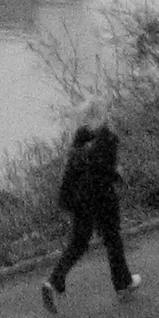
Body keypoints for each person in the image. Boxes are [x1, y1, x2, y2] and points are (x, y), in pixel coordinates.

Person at [41, 121, 141, 308]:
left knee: (78, 243)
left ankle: (54, 281)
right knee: (113, 239)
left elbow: (75, 172)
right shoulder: (106, 137)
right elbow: (102, 169)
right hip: (101, 198)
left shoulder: (80, 141)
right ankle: (123, 284)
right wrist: (116, 174)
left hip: (80, 201)